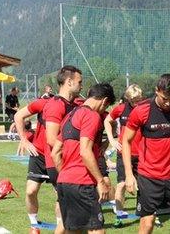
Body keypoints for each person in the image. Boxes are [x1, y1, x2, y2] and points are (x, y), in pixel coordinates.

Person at [121, 74, 170, 233]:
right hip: (149, 177)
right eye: (164, 98)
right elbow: (126, 141)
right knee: (147, 224)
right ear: (156, 91)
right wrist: (128, 174)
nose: (168, 103)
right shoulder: (142, 110)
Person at [13, 65, 83, 233]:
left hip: (57, 155)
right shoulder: (44, 103)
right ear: (68, 82)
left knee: (60, 194)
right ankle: (34, 224)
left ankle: (61, 225)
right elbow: (18, 115)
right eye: (80, 82)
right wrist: (24, 139)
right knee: (30, 191)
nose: (82, 85)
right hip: (39, 153)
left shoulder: (78, 105)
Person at [51, 83, 115, 234]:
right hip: (83, 182)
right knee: (97, 231)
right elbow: (85, 152)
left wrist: (67, 175)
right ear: (104, 101)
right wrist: (100, 181)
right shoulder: (91, 116)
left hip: (64, 182)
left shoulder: (69, 116)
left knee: (74, 231)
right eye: (106, 107)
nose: (103, 111)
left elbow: (55, 152)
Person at [102, 84, 145, 228]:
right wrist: (112, 140)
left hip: (142, 154)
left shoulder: (146, 108)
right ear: (128, 98)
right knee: (120, 185)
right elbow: (107, 120)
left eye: (139, 99)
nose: (137, 102)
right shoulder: (121, 109)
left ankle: (147, 214)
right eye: (134, 100)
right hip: (123, 153)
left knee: (145, 186)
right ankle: (119, 217)